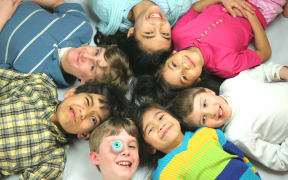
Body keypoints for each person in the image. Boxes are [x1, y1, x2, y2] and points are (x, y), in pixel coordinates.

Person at [0, 68, 128, 179]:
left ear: (84, 134)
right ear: (71, 92)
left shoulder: (53, 161)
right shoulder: (39, 86)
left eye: (93, 119)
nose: (84, 112)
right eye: (87, 102)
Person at [170, 62, 288, 171]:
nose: (212, 112)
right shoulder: (236, 135)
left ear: (208, 91)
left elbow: (264, 72)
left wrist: (283, 72)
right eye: (204, 119)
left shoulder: (231, 85)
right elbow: (280, 160)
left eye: (205, 103)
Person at [0, 0, 131, 90]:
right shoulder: (82, 27)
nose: (86, 56)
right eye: (96, 53)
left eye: (92, 67)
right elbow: (57, 2)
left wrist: (3, 15)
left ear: (85, 83)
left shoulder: (39, 82)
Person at [159, 0, 288, 88]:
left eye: (174, 64)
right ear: (197, 80)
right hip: (261, 8)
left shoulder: (178, 34)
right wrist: (251, 15)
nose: (185, 66)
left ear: (172, 54)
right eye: (184, 77)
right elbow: (264, 52)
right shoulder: (226, 67)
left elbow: (195, 8)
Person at [134, 102, 261, 179]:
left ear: (176, 118)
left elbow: (238, 154)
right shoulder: (163, 174)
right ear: (149, 147)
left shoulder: (207, 132)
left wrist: (254, 172)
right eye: (150, 129)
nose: (160, 125)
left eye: (161, 117)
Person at [92, 0, 199, 76]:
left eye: (149, 33)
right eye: (165, 34)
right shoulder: (180, 5)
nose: (158, 24)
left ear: (131, 32)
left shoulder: (107, 6)